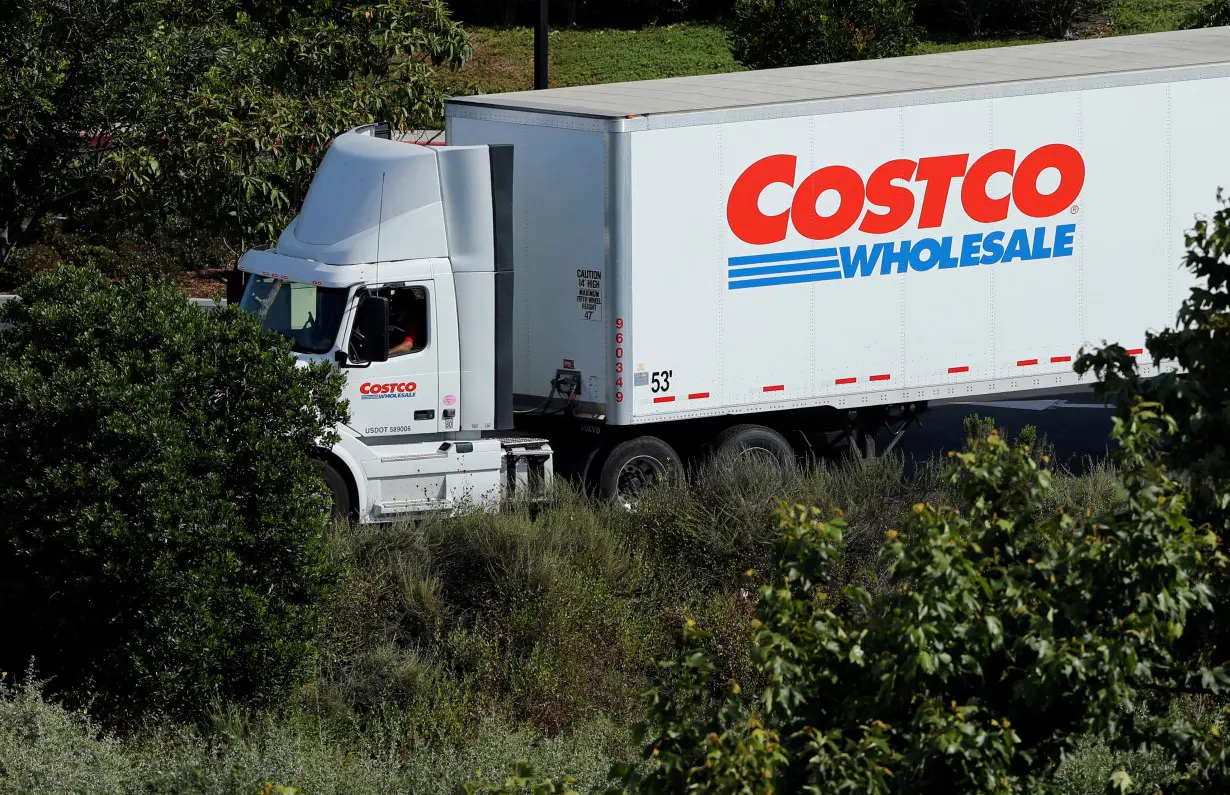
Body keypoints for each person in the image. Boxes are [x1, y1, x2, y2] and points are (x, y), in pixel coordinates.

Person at [389, 291, 425, 356]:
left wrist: (387, 353)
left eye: (397, 301)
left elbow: (407, 346)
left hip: (397, 357)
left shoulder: (412, 322)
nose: (393, 303)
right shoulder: (391, 318)